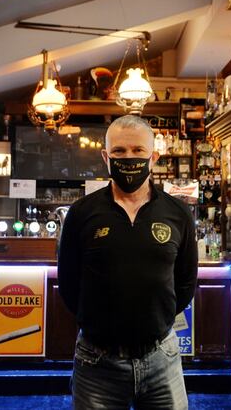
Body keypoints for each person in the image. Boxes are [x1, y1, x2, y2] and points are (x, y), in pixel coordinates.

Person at [58, 115, 198, 410]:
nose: (128, 158)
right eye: (119, 152)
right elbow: (69, 283)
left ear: (154, 157)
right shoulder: (82, 213)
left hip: (162, 356)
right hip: (96, 361)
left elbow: (185, 282)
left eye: (138, 151)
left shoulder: (178, 214)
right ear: (105, 158)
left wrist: (155, 320)